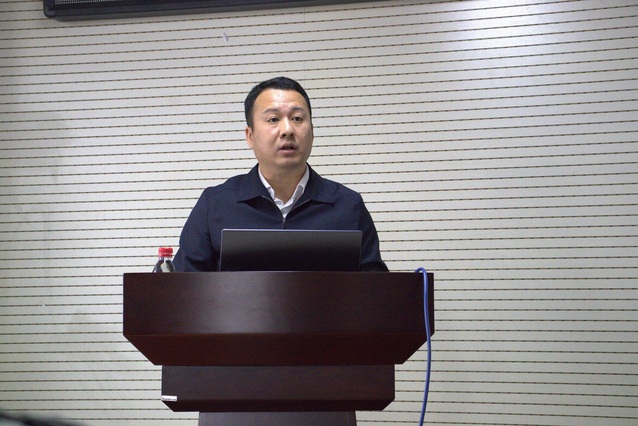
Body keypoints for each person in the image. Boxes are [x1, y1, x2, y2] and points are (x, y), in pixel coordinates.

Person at [173, 76, 388, 272]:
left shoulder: (348, 206)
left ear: (312, 132)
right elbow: (182, 289)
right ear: (250, 136)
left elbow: (377, 291)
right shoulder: (215, 204)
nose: (287, 130)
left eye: (297, 118)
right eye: (273, 119)